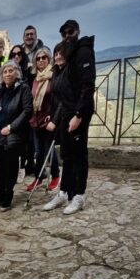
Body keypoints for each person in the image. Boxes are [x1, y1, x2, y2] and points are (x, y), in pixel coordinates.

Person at [43, 21, 95, 215]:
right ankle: (65, 192)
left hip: (78, 114)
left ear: (77, 31)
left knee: (79, 155)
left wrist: (79, 115)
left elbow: (87, 86)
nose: (67, 35)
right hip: (66, 114)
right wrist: (58, 119)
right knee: (67, 154)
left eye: (70, 31)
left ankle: (79, 196)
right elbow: (62, 98)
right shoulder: (63, 66)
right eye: (64, 33)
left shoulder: (84, 52)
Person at [0, 60, 32, 211]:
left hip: (12, 134)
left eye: (10, 71)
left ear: (17, 72)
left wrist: (11, 127)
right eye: (5, 71)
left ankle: (8, 195)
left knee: (10, 166)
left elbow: (27, 111)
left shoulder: (23, 88)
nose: (7, 74)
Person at [28, 47, 60, 192]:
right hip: (36, 120)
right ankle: (39, 177)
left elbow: (58, 100)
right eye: (38, 58)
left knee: (49, 150)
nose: (41, 60)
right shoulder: (35, 78)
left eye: (44, 58)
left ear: (48, 59)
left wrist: (53, 118)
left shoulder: (53, 77)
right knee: (38, 151)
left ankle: (55, 176)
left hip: (48, 120)